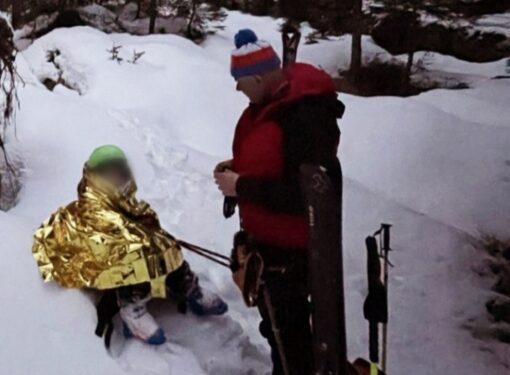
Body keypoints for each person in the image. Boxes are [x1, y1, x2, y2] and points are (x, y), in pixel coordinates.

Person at [214, 29, 345, 374]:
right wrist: (237, 170)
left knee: (291, 341)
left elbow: (310, 196)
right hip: (267, 247)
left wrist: (241, 186)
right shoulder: (269, 105)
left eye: (240, 81)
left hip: (288, 253)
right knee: (279, 332)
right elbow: (273, 166)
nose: (237, 89)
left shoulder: (305, 118)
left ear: (258, 78)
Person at [33, 145, 228, 345]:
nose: (115, 176)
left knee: (164, 243)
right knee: (133, 253)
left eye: (118, 170)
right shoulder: (92, 204)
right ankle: (131, 306)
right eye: (109, 172)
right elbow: (102, 230)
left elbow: (142, 220)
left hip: (118, 237)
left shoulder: (124, 200)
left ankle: (184, 286)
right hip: (96, 247)